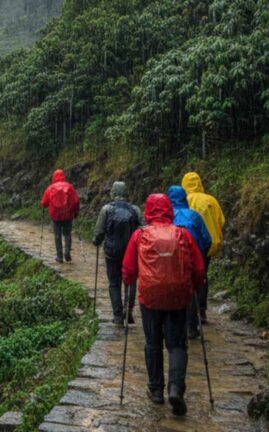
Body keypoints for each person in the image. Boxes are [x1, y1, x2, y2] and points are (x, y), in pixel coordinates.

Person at [122, 194, 205, 416]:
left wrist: (128, 282)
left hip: (150, 296)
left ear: (148, 211)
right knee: (177, 344)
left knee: (153, 342)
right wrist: (194, 287)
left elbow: (129, 268)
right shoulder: (183, 234)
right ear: (169, 210)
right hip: (178, 297)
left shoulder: (140, 235)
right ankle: (176, 389)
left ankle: (156, 389)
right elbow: (198, 268)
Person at [92, 181, 143, 325]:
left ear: (113, 192)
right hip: (131, 253)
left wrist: (96, 241)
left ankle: (118, 315)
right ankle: (129, 311)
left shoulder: (106, 209)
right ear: (126, 193)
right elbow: (143, 229)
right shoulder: (135, 210)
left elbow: (99, 231)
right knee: (130, 281)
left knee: (114, 283)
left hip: (112, 253)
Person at [167, 185, 213, 339]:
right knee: (191, 291)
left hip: (171, 259)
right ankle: (191, 327)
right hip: (192, 258)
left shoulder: (167, 216)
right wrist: (200, 254)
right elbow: (207, 239)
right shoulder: (194, 216)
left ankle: (172, 325)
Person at [182, 172, 225, 324]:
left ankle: (188, 311)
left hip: (188, 245)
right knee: (203, 275)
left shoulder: (185, 200)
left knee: (187, 277)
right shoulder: (211, 200)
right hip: (208, 245)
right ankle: (202, 310)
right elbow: (221, 220)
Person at [41, 170, 80, 263]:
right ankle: (67, 253)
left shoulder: (50, 188)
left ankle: (59, 256)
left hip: (55, 216)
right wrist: (76, 213)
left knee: (57, 235)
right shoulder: (69, 187)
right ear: (63, 176)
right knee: (67, 234)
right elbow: (76, 201)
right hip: (68, 215)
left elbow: (44, 203)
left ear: (54, 177)